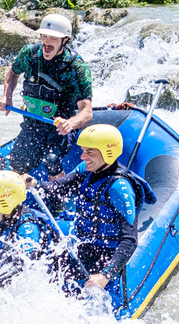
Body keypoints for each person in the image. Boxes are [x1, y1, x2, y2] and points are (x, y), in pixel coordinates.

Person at [27, 124, 156, 291]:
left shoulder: (119, 187)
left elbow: (129, 240)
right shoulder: (86, 169)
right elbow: (58, 187)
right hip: (84, 245)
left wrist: (105, 275)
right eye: (82, 151)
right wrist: (34, 183)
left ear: (107, 152)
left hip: (106, 254)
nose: (82, 156)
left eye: (89, 152)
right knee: (47, 272)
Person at [0, 14, 93, 175]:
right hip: (33, 123)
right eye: (44, 36)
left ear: (65, 40)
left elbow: (87, 112)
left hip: (61, 127)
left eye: (53, 38)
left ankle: (58, 197)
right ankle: (20, 195)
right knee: (17, 163)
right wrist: (7, 95)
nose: (47, 42)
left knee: (52, 159)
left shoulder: (77, 67)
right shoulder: (30, 54)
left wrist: (70, 123)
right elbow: (13, 74)